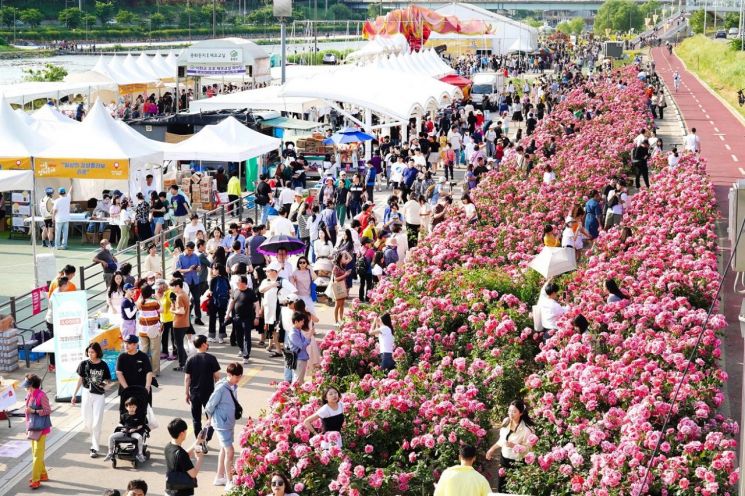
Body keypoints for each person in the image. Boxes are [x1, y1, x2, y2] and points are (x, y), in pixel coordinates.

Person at [204, 362, 244, 487]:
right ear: (229, 374)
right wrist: (209, 419)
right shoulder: (221, 388)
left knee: (223, 450)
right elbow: (209, 405)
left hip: (228, 423)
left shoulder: (233, 386)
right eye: (236, 377)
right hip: (222, 424)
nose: (238, 379)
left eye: (240, 377)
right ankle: (229, 481)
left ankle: (219, 477)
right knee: (230, 451)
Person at [485, 399, 536, 493]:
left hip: (517, 462)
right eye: (509, 411)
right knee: (501, 488)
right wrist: (491, 449)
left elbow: (529, 449)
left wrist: (514, 446)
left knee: (514, 489)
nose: (510, 414)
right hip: (504, 459)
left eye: (514, 411)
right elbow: (502, 440)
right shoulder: (506, 421)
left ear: (521, 413)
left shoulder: (526, 430)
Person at [71, 343, 111, 459]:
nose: (90, 354)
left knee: (96, 422)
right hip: (86, 393)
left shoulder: (103, 365)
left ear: (98, 352)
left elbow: (108, 380)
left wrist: (102, 385)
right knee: (87, 420)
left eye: (92, 352)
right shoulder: (84, 364)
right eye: (89, 352)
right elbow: (80, 379)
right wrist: (74, 394)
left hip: (98, 395)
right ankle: (94, 437)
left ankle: (94, 447)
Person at [184, 335, 221, 443]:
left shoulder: (190, 359)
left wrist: (186, 393)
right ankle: (207, 437)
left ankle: (199, 440)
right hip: (208, 393)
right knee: (211, 417)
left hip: (194, 393)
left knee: (196, 419)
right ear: (203, 344)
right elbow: (217, 377)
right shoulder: (211, 358)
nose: (207, 344)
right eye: (206, 342)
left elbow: (187, 378)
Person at [23, 374, 52, 490]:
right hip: (32, 427)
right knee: (36, 454)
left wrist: (34, 410)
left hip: (41, 429)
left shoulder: (42, 395)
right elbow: (27, 413)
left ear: (31, 385)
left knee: (36, 455)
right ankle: (43, 474)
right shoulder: (29, 394)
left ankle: (36, 480)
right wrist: (27, 428)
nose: (25, 387)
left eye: (26, 384)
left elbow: (48, 410)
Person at [164, 418, 206, 496]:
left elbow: (180, 456)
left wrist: (197, 441)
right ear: (182, 433)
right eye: (185, 431)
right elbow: (193, 474)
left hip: (170, 489)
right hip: (183, 492)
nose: (186, 433)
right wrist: (199, 458)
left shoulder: (168, 447)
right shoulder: (181, 455)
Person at [103, 396, 148, 463]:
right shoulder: (124, 416)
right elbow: (121, 424)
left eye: (133, 407)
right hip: (125, 432)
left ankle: (140, 454)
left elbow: (141, 425)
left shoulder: (139, 416)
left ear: (136, 407)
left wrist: (134, 429)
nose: (132, 409)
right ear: (127, 407)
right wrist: (122, 429)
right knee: (111, 437)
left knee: (139, 438)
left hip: (134, 432)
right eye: (130, 407)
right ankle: (110, 452)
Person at [226, 275, 260, 364]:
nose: (237, 283)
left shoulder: (250, 292)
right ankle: (241, 349)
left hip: (247, 319)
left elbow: (257, 304)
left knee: (247, 337)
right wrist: (228, 313)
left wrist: (257, 317)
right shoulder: (236, 291)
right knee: (238, 336)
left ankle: (246, 356)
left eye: (238, 281)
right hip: (237, 318)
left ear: (244, 283)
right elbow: (232, 302)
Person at [116, 335, 154, 410]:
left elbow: (149, 372)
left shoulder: (143, 356)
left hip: (141, 390)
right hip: (126, 389)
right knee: (126, 414)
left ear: (136, 344)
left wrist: (147, 387)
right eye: (125, 343)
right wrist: (127, 388)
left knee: (143, 413)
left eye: (129, 343)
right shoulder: (122, 357)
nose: (126, 345)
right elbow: (119, 373)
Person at [177, 242, 204, 326]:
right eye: (189, 250)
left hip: (195, 281)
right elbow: (178, 269)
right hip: (186, 282)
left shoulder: (195, 256)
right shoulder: (180, 257)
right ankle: (186, 319)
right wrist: (188, 270)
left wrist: (198, 268)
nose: (190, 252)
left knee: (197, 300)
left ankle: (198, 318)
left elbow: (199, 267)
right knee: (186, 301)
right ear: (185, 248)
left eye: (192, 250)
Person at [137, 284, 162, 375]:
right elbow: (161, 310)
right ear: (151, 293)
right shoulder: (154, 302)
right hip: (154, 330)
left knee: (143, 351)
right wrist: (158, 299)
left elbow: (138, 303)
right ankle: (155, 372)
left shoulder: (139, 303)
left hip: (143, 330)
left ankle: (144, 371)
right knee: (155, 351)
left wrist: (141, 296)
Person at [207, 263, 231, 343]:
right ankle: (221, 337)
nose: (213, 270)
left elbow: (210, 292)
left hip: (214, 301)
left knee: (212, 319)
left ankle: (211, 336)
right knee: (222, 319)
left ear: (218, 270)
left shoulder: (213, 280)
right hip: (223, 301)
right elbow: (230, 291)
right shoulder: (226, 279)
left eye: (214, 269)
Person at [170, 279, 191, 371]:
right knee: (179, 344)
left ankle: (183, 364)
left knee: (178, 345)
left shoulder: (179, 297)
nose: (171, 288)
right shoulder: (185, 294)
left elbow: (181, 311)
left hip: (179, 323)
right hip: (185, 322)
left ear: (177, 286)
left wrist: (172, 310)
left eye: (172, 286)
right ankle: (185, 362)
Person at [331, 251, 351, 325]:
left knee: (342, 304)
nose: (345, 258)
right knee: (337, 305)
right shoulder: (336, 267)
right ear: (339, 258)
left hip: (343, 285)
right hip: (338, 287)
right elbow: (336, 279)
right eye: (343, 257)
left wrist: (346, 252)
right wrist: (345, 274)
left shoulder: (342, 265)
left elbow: (350, 258)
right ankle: (336, 321)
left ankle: (341, 319)